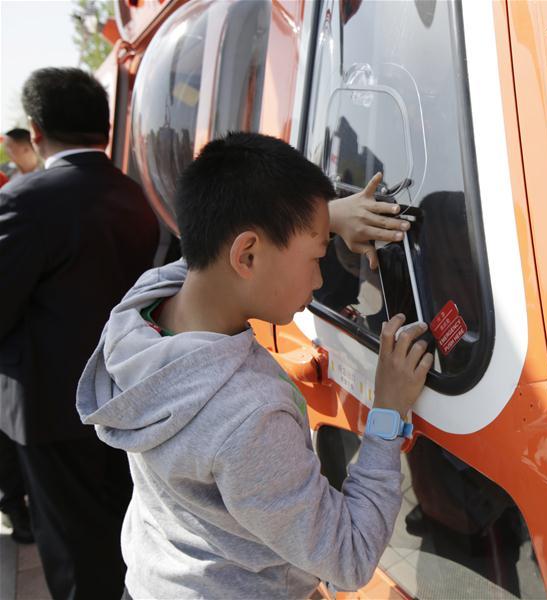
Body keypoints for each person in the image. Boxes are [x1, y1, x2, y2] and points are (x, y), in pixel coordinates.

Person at [77, 132, 431, 599]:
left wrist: (321, 221)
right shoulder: (246, 419)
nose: (321, 278)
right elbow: (350, 557)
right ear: (246, 254)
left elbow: (215, 253)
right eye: (317, 256)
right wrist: (387, 413)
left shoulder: (145, 307)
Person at [0, 67, 160, 600]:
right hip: (130, 395)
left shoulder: (28, 198)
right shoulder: (137, 194)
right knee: (124, 536)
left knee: (72, 554)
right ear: (107, 128)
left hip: (51, 408)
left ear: (36, 129)